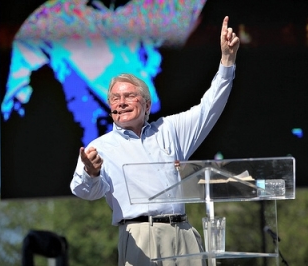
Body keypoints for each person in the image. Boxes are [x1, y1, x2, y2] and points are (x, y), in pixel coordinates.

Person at [70, 16, 240, 266]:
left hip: (182, 234)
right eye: (115, 99)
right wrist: (91, 173)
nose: (121, 102)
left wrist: (227, 61)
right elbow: (84, 191)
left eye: (129, 96)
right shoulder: (99, 147)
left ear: (147, 104)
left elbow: (209, 108)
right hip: (140, 237)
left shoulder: (169, 130)